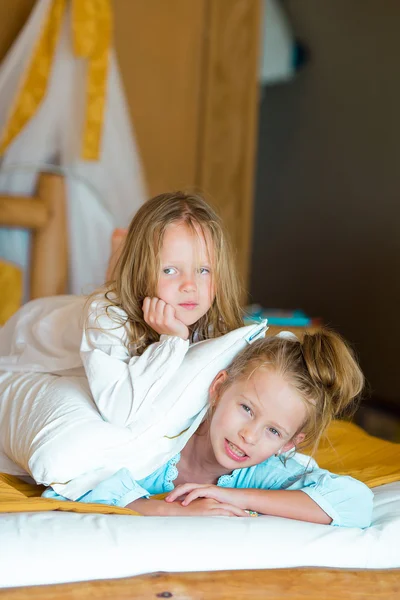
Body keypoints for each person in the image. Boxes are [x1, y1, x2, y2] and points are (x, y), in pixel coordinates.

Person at [43, 330, 374, 528]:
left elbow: (355, 503)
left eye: (273, 431)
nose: (250, 435)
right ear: (218, 389)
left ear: (289, 444)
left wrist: (225, 494)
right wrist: (159, 508)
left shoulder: (264, 470)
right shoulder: (157, 441)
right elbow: (70, 477)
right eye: (246, 409)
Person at [0, 192, 243, 429]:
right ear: (142, 270)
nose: (190, 286)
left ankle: (119, 259)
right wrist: (172, 340)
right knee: (111, 299)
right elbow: (118, 411)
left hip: (87, 306)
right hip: (25, 333)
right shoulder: (107, 317)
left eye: (203, 270)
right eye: (170, 270)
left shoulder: (208, 317)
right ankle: (120, 259)